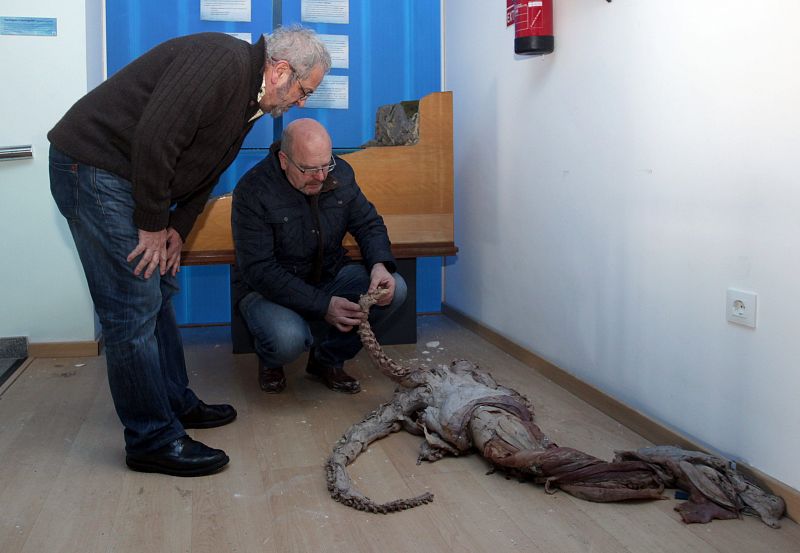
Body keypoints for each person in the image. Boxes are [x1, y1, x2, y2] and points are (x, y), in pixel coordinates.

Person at [47, 27, 331, 477]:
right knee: (133, 304)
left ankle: (174, 401)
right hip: (94, 167)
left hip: (125, 175)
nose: (302, 103)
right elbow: (156, 138)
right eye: (304, 90)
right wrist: (153, 224)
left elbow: (209, 169)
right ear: (280, 70)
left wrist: (178, 226)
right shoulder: (223, 63)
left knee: (158, 288)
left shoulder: (250, 99)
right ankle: (151, 440)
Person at [232, 119, 407, 395]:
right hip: (268, 290)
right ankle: (271, 360)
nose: (322, 176)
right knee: (287, 339)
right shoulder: (253, 190)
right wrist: (323, 304)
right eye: (310, 169)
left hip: (327, 275)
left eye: (326, 165)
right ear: (283, 160)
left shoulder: (341, 173)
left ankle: (326, 360)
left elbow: (368, 224)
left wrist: (379, 265)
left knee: (394, 289)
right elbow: (260, 270)